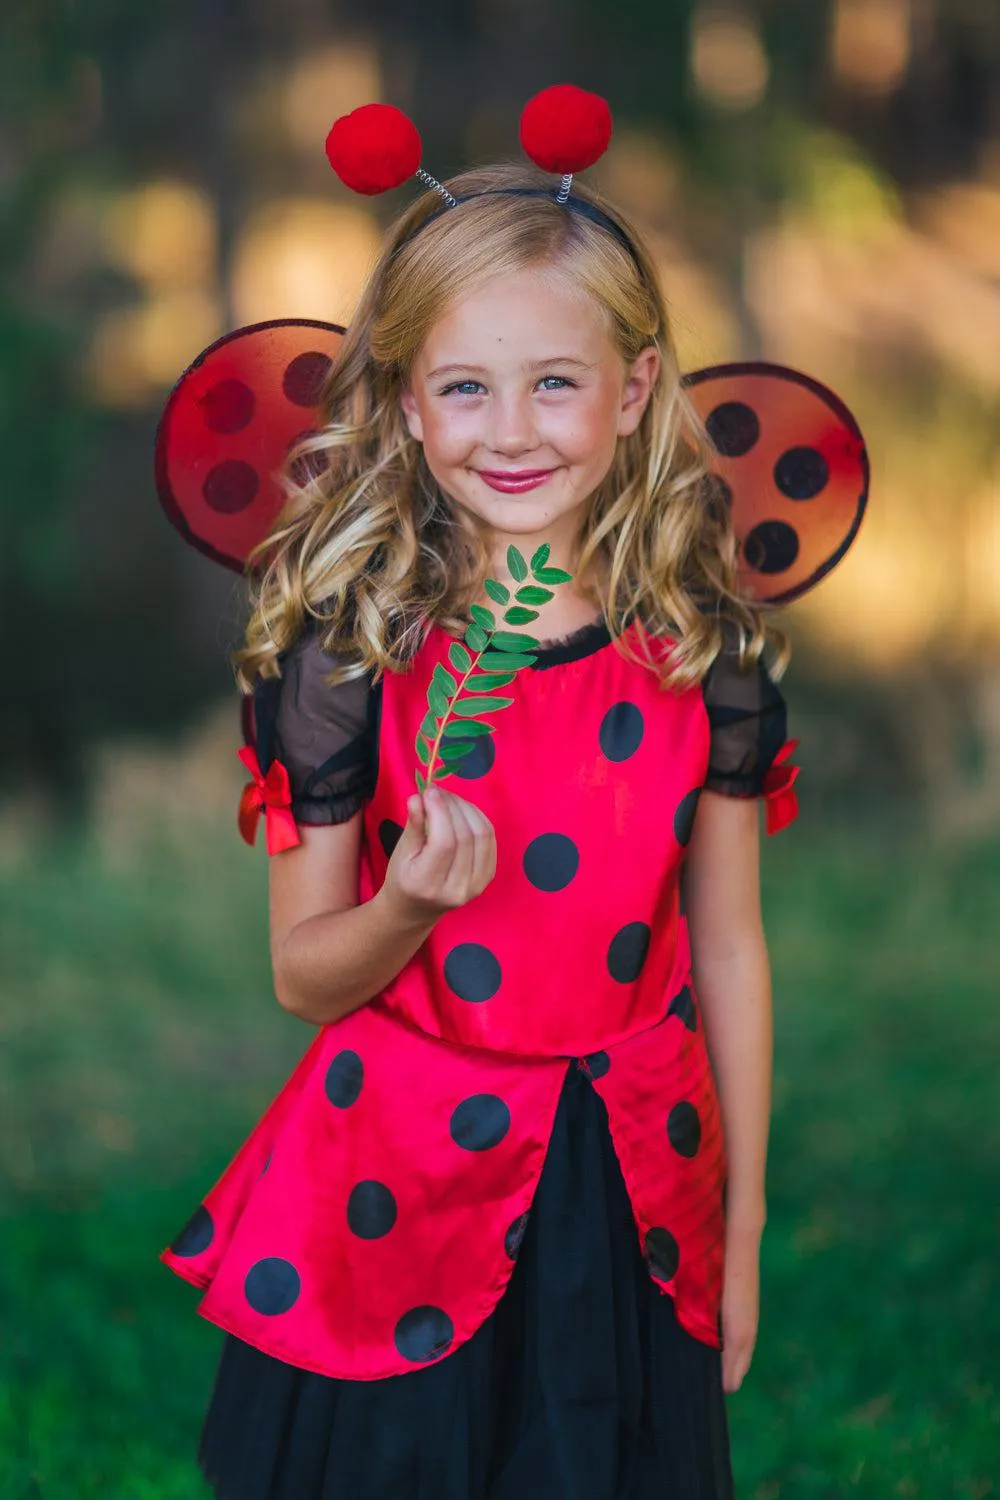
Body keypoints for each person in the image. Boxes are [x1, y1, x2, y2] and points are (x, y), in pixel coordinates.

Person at [161, 88, 801, 1500]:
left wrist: (739, 1226)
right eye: (464, 386)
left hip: (632, 1170)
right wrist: (404, 904)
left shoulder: (703, 644)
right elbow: (305, 977)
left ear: (635, 391)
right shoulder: (353, 651)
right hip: (397, 1172)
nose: (511, 431)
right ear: (403, 399)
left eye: (556, 382)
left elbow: (731, 945)